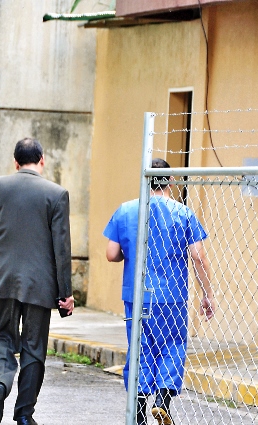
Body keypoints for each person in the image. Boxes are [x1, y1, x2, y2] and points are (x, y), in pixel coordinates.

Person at [104, 158, 215, 425]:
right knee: (173, 345)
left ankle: (139, 409)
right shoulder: (183, 213)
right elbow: (198, 256)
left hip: (137, 294)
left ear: (146, 179)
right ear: (171, 181)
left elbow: (111, 254)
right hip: (172, 295)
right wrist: (208, 293)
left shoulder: (127, 210)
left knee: (140, 347)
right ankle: (163, 400)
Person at [0, 138, 75, 425]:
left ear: (15, 162)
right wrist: (65, 293)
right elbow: (62, 248)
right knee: (34, 347)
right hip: (39, 284)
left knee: (3, 336)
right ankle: (23, 415)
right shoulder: (57, 194)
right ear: (42, 160)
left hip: (2, 280)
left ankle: (1, 382)